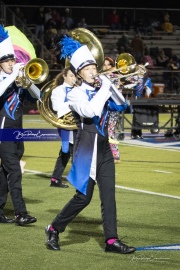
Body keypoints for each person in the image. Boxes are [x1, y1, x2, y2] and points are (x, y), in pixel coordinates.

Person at [45, 35, 136, 254]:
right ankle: (54, 227)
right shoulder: (75, 94)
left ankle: (111, 240)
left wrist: (112, 85)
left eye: (94, 67)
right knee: (83, 198)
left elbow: (122, 105)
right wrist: (105, 88)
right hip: (86, 150)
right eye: (87, 69)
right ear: (79, 73)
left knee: (109, 197)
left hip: (103, 149)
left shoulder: (101, 89)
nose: (94, 71)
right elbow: (91, 111)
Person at [0, 24, 40, 225]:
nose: (11, 63)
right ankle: (20, 213)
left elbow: (38, 96)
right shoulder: (2, 79)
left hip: (17, 131)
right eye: (7, 61)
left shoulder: (18, 80)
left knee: (5, 171)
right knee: (14, 171)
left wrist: (28, 81)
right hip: (3, 132)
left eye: (12, 60)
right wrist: (12, 76)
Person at [50, 67, 77, 188]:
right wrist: (73, 103)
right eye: (71, 75)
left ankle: (76, 178)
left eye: (75, 76)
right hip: (65, 124)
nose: (74, 78)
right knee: (66, 151)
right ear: (64, 76)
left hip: (78, 123)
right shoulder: (58, 90)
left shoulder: (79, 89)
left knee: (77, 150)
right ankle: (56, 179)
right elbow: (56, 107)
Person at [102, 57, 121, 163]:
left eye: (108, 65)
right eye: (104, 64)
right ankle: (105, 154)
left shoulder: (116, 77)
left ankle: (115, 155)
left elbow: (134, 80)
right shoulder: (100, 76)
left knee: (110, 131)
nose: (106, 67)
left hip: (112, 108)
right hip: (102, 108)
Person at [131, 65, 154, 139]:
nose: (141, 70)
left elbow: (149, 91)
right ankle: (134, 132)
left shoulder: (147, 79)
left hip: (143, 99)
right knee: (135, 116)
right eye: (139, 69)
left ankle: (139, 132)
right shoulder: (134, 78)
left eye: (142, 69)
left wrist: (147, 88)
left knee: (141, 116)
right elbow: (129, 86)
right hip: (135, 99)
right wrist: (134, 83)